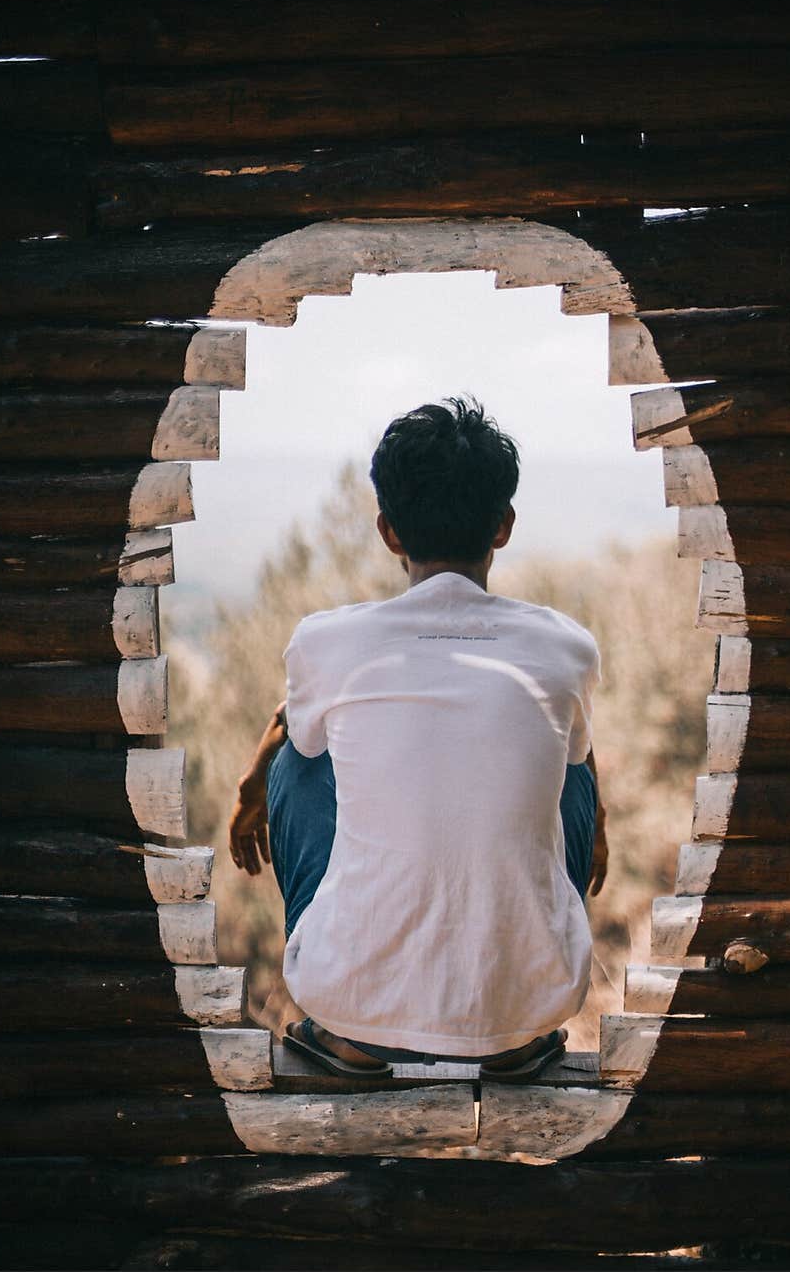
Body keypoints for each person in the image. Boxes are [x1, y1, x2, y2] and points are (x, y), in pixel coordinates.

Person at [229, 396, 608, 1082]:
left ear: (388, 531)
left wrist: (254, 784)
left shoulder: (325, 641)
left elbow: (296, 731)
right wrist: (596, 819)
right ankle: (510, 1038)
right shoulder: (566, 645)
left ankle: (353, 1041)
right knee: (578, 766)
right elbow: (578, 767)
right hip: (531, 1006)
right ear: (504, 526)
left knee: (298, 761)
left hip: (350, 1005)